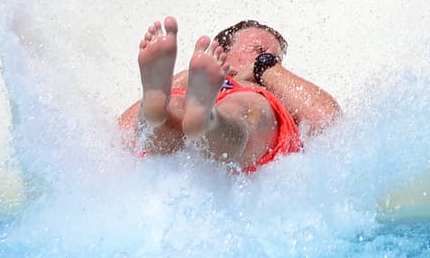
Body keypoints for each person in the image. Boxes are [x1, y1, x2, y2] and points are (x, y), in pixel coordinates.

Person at [119, 16, 341, 172]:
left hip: (241, 109)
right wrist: (188, 76)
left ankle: (191, 118)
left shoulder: (271, 89)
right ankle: (165, 112)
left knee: (245, 106)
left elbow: (329, 120)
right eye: (260, 51)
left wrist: (265, 68)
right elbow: (122, 131)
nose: (269, 59)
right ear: (223, 52)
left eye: (275, 59)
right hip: (206, 102)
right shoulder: (191, 82)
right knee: (175, 104)